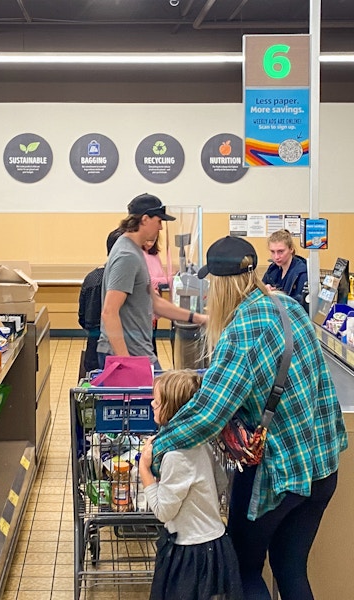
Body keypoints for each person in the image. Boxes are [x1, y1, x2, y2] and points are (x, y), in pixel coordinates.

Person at [151, 236, 348, 600]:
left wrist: (156, 447)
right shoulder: (288, 305)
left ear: (223, 284)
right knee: (291, 569)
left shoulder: (241, 329)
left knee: (245, 569)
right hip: (322, 466)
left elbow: (209, 415)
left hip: (277, 476)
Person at [139, 369, 243, 600]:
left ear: (174, 410)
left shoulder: (176, 455)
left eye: (157, 401)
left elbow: (164, 512)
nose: (152, 404)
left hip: (189, 554)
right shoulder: (200, 443)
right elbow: (220, 481)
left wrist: (144, 470)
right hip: (216, 545)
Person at [97, 193, 207, 369]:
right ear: (145, 219)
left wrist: (198, 318)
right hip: (131, 355)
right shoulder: (127, 256)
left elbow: (155, 303)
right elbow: (109, 312)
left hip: (139, 352)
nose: (161, 228)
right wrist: (125, 362)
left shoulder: (134, 251)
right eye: (159, 221)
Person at [78, 228, 123, 378]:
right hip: (119, 351)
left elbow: (82, 318)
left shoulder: (91, 278)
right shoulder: (125, 282)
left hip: (92, 348)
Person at [262, 228, 309, 312]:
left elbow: (300, 305)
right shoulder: (272, 269)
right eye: (273, 252)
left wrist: (276, 295)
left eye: (281, 251)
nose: (276, 257)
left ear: (291, 249)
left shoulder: (301, 273)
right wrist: (264, 290)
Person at [143, 237, 168, 357]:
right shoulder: (138, 254)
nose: (149, 243)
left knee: (152, 343)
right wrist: (167, 280)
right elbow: (148, 280)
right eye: (147, 240)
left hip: (154, 304)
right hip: (144, 305)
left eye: (152, 240)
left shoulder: (155, 255)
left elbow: (161, 277)